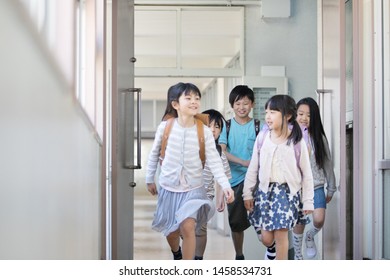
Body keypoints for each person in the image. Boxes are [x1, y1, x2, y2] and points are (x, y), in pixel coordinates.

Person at [145, 82, 234, 260]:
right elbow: (154, 154)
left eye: (197, 98)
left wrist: (225, 186)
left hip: (194, 189)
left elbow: (215, 161)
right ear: (175, 104)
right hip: (169, 188)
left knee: (188, 227)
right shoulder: (166, 127)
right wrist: (149, 179)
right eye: (188, 98)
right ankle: (176, 253)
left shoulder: (204, 131)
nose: (194, 102)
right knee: (171, 232)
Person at [243, 94, 314, 260]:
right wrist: (247, 193)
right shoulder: (262, 138)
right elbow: (254, 167)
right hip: (265, 192)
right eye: (266, 111)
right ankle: (271, 248)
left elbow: (306, 173)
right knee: (267, 238)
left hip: (287, 194)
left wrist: (308, 200)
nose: (268, 116)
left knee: (281, 236)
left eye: (273, 111)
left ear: (287, 115)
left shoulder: (296, 141)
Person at [218, 85, 269, 260]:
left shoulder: (259, 126)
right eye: (238, 103)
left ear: (252, 105)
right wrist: (243, 162)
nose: (242, 107)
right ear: (232, 105)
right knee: (236, 224)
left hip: (256, 180)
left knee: (262, 218)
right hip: (234, 181)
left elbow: (267, 151)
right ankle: (239, 255)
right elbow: (222, 151)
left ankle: (271, 249)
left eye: (246, 103)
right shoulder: (227, 125)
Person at [292, 97, 337, 260]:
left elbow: (327, 164)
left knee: (318, 220)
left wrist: (331, 188)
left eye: (308, 115)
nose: (303, 118)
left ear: (315, 118)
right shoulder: (290, 137)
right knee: (299, 223)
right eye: (300, 114)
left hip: (316, 186)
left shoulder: (319, 139)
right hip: (296, 188)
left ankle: (310, 237)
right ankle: (298, 256)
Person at [194, 109, 231, 260]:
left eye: (217, 127)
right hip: (187, 194)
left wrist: (220, 198)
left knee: (201, 230)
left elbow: (223, 176)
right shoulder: (192, 146)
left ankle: (198, 259)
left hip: (206, 197)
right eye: (209, 126)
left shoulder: (218, 151)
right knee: (186, 230)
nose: (213, 130)